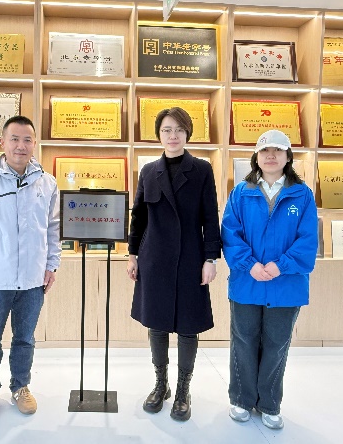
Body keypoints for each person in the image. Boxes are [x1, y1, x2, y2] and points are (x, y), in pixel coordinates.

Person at [127, 107, 221, 421]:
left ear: (187, 133)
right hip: (154, 259)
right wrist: (132, 255)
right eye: (167, 130)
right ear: (159, 134)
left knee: (188, 326)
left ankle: (183, 389)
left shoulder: (202, 169)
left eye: (179, 129)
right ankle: (161, 384)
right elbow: (139, 217)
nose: (173, 136)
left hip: (190, 259)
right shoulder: (148, 171)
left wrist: (210, 258)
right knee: (156, 324)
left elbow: (210, 217)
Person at [0, 115, 61, 421]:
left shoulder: (47, 183)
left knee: (25, 338)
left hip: (33, 279)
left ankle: (21, 386)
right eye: (15, 139)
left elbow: (53, 228)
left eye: (27, 140)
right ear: (3, 143)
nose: (21, 145)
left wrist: (52, 264)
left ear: (34, 143)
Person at [221, 129, 318, 430]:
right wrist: (249, 265)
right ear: (256, 157)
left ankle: (270, 403)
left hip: (285, 284)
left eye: (278, 150)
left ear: (288, 157)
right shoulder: (241, 192)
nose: (271, 155)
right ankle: (241, 399)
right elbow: (230, 233)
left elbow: (308, 240)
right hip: (247, 282)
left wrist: (281, 266)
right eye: (265, 150)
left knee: (277, 345)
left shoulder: (302, 195)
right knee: (243, 342)